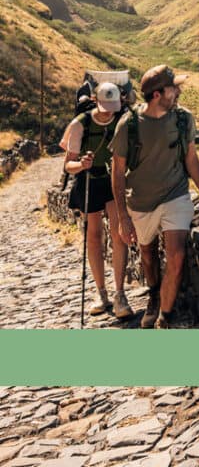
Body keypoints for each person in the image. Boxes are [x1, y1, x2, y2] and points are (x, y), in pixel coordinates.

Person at [110, 64, 199, 329]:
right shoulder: (128, 125)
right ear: (157, 95)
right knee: (148, 254)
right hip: (140, 202)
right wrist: (122, 217)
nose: (178, 92)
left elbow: (191, 158)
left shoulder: (183, 119)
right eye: (173, 88)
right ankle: (154, 294)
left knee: (176, 254)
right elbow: (118, 172)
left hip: (176, 195)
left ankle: (165, 315)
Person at [61, 82, 133, 319]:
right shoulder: (79, 124)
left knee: (118, 232)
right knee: (93, 235)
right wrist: (81, 164)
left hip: (112, 179)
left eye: (113, 107)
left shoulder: (121, 120)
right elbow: (68, 165)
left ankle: (120, 293)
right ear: (95, 100)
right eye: (105, 107)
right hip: (89, 180)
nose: (109, 112)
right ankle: (100, 292)